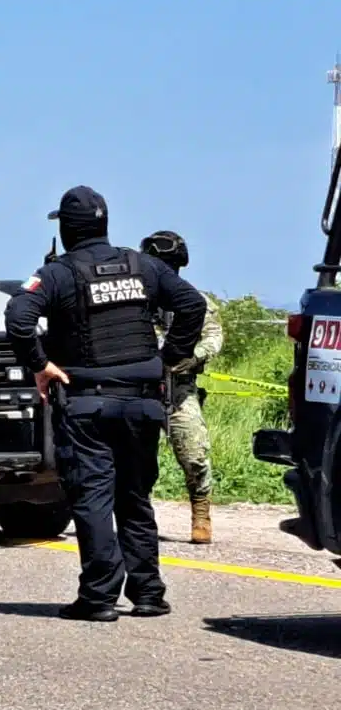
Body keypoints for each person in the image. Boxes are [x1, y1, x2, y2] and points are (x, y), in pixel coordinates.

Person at [4, 186, 205, 621]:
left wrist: (40, 365)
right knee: (134, 496)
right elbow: (192, 304)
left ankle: (98, 598)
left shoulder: (57, 273)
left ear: (65, 228)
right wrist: (168, 358)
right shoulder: (143, 265)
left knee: (94, 498)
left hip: (88, 405)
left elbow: (18, 318)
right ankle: (149, 594)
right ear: (105, 223)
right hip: (143, 403)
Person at [141, 229, 224, 543]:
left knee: (194, 454)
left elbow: (213, 338)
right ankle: (138, 515)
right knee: (135, 457)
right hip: (142, 387)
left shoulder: (196, 300)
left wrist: (193, 358)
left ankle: (201, 512)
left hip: (179, 387)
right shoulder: (137, 301)